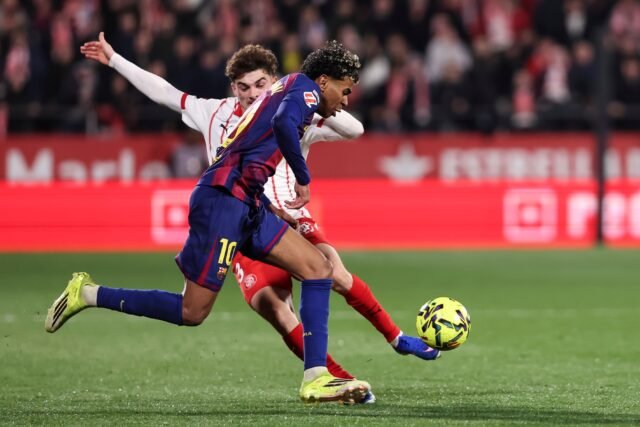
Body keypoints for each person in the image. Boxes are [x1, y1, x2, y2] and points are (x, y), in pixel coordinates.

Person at [46, 38, 369, 404]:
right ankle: (88, 293)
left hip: (248, 201)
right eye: (344, 90)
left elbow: (272, 140)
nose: (346, 100)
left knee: (318, 268)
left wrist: (272, 201)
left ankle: (316, 377)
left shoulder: (292, 89)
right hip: (223, 201)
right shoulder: (305, 91)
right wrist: (303, 177)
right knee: (192, 311)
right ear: (324, 81)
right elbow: (281, 123)